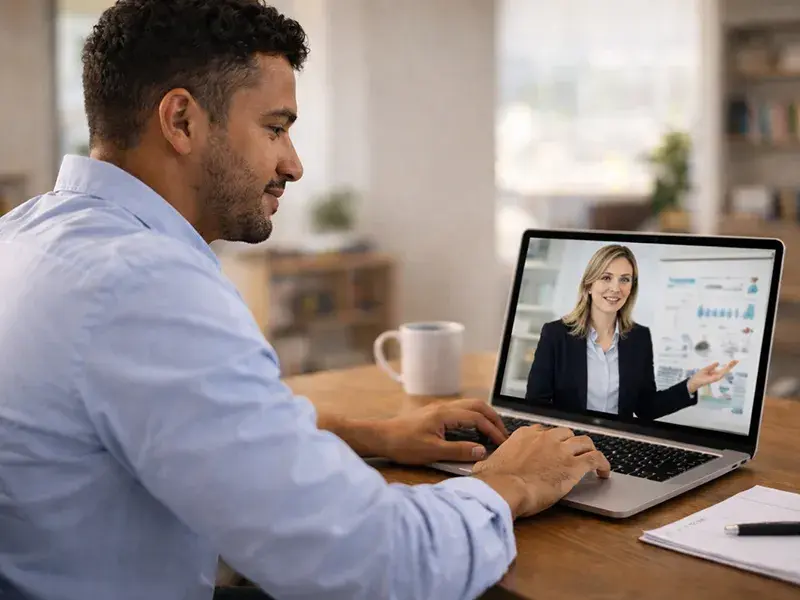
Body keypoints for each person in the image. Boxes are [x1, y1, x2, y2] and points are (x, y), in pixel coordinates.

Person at [0, 2, 611, 600]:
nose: (293, 164)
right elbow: (378, 566)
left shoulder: (26, 234)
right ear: (181, 120)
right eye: (275, 127)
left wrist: (378, 435)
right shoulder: (143, 284)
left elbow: (202, 427)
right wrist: (510, 483)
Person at [525, 244, 737, 420]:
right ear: (589, 285)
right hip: (568, 445)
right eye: (606, 278)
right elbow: (536, 407)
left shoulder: (639, 338)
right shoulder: (555, 335)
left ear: (631, 287)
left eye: (624, 279)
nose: (616, 288)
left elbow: (646, 407)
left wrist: (692, 384)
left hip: (619, 444)